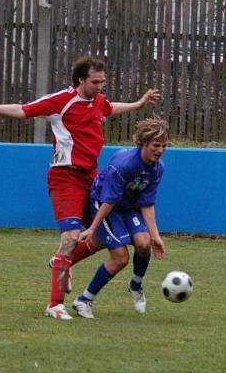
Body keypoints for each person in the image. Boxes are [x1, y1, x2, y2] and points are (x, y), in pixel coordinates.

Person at [0, 55, 160, 320]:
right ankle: (55, 304)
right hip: (65, 178)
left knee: (98, 237)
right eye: (96, 82)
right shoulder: (61, 101)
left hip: (92, 178)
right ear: (80, 80)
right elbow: (23, 110)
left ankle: (63, 262)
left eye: (103, 82)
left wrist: (139, 103)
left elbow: (111, 107)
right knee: (70, 238)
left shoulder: (98, 101)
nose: (101, 87)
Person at [70, 117, 169, 319]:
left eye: (164, 145)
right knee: (120, 257)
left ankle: (135, 284)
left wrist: (155, 235)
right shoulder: (124, 165)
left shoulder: (158, 168)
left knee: (144, 244)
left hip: (128, 206)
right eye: (155, 145)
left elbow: (147, 203)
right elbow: (109, 200)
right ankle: (84, 300)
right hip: (105, 204)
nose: (160, 150)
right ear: (143, 143)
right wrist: (91, 227)